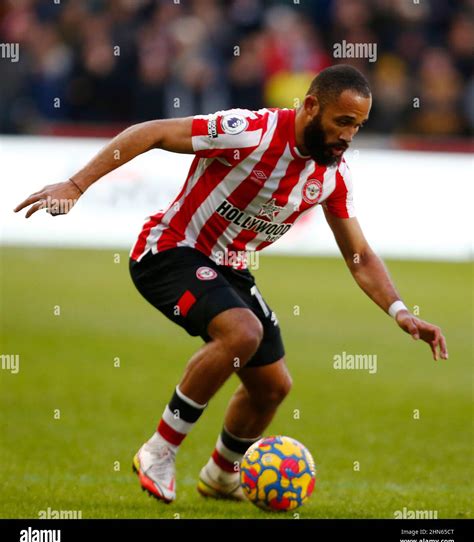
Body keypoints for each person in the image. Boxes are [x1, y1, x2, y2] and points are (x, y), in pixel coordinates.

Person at [14, 65, 448, 504]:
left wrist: (401, 310)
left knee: (273, 386)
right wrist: (74, 184)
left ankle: (221, 475)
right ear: (311, 106)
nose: (348, 136)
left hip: (230, 267)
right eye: (342, 122)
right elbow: (152, 132)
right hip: (169, 251)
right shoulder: (250, 131)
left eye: (357, 126)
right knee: (243, 331)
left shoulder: (332, 176)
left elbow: (360, 256)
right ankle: (160, 450)